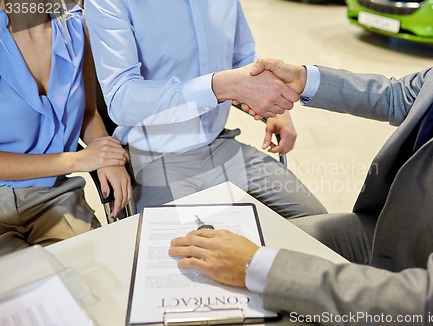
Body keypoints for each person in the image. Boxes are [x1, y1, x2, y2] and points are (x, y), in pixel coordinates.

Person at [169, 0, 433, 322]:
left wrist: (254, 268)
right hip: (391, 230)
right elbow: (405, 96)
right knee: (258, 243)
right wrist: (305, 79)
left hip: (424, 278)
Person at [84, 0, 327, 219]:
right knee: (180, 259)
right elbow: (121, 99)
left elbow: (243, 58)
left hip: (219, 142)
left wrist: (275, 106)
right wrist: (217, 87)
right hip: (156, 155)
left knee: (318, 225)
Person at [0, 1, 131, 256]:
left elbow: (88, 113)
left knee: (96, 279)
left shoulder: (75, 24)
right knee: (18, 292)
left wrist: (105, 153)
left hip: (56, 196)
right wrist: (75, 160)